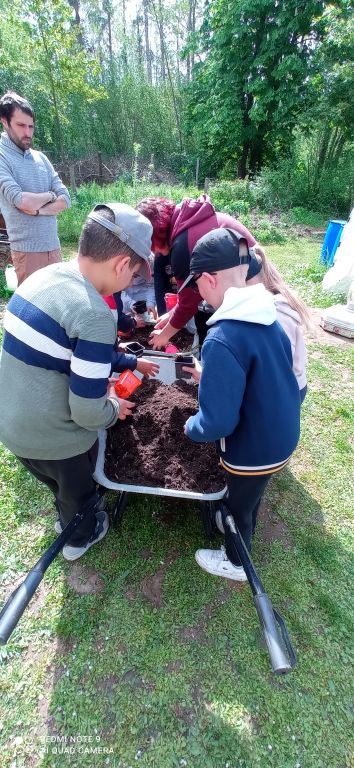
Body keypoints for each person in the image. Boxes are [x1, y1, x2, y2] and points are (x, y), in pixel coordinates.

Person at [0, 203, 153, 561]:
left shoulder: (43, 277)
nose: (131, 282)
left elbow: (65, 356)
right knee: (79, 492)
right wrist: (114, 405)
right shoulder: (93, 313)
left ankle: (66, 511)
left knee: (60, 485)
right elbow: (86, 414)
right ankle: (78, 536)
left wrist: (124, 363)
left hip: (11, 421)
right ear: (120, 265)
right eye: (133, 275)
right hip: (50, 437)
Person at [183, 228, 301, 581]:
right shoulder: (267, 316)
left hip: (253, 450)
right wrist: (214, 377)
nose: (198, 294)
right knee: (251, 492)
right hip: (281, 435)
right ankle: (243, 510)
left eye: (197, 286)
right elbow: (263, 374)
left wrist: (191, 427)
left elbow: (217, 422)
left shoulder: (221, 338)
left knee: (238, 505)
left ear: (209, 279)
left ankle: (236, 561)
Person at [135, 195, 257, 349]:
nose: (155, 253)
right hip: (255, 280)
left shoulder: (182, 246)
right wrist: (172, 314)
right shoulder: (188, 219)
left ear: (153, 234)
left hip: (248, 291)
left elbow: (189, 303)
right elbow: (187, 297)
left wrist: (164, 336)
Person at [0, 91, 70, 285]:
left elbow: (66, 199)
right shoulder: (2, 156)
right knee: (34, 312)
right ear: (4, 122)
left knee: (57, 306)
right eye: (21, 125)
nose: (28, 132)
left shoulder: (41, 159)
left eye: (31, 126)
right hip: (27, 251)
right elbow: (20, 200)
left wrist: (38, 210)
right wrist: (50, 195)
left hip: (53, 247)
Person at [246, 247, 309, 402]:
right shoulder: (268, 301)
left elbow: (275, 368)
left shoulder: (275, 313)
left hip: (287, 389)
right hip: (288, 385)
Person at [103, 291, 159, 377]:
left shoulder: (109, 298)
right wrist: (135, 362)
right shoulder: (100, 311)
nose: (132, 281)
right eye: (132, 277)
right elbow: (100, 356)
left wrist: (117, 346)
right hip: (92, 381)